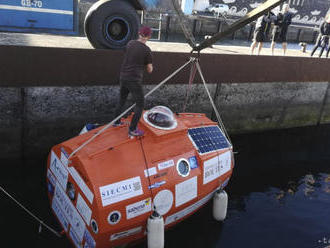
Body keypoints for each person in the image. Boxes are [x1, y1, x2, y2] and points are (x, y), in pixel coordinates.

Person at [114, 26, 153, 137]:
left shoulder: (130, 43)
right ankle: (132, 129)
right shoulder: (146, 50)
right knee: (140, 104)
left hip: (123, 76)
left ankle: (116, 122)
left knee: (121, 100)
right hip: (134, 80)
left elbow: (128, 54)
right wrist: (148, 64)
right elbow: (150, 69)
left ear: (139, 33)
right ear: (149, 36)